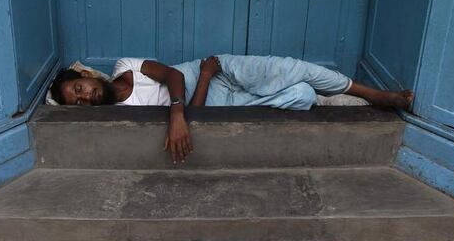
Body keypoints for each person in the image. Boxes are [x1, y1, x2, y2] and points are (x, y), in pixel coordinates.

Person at [49, 54, 413, 164]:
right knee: (300, 96)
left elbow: (173, 74)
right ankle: (328, 96)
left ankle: (374, 95)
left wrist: (178, 112)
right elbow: (199, 113)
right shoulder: (118, 118)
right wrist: (196, 96)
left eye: (79, 88)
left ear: (86, 76)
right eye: (76, 101)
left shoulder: (124, 66)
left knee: (290, 68)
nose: (85, 97)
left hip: (210, 69)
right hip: (208, 96)